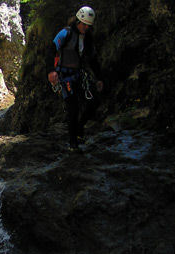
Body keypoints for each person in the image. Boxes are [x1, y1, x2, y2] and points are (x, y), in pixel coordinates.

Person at [46, 6, 104, 153]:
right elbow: (51, 50)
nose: (85, 27)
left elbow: (93, 60)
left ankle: (80, 127)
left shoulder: (87, 38)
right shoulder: (66, 33)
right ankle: (73, 144)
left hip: (78, 75)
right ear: (78, 21)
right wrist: (51, 71)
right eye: (83, 24)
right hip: (64, 77)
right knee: (73, 107)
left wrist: (100, 78)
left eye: (88, 25)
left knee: (94, 102)